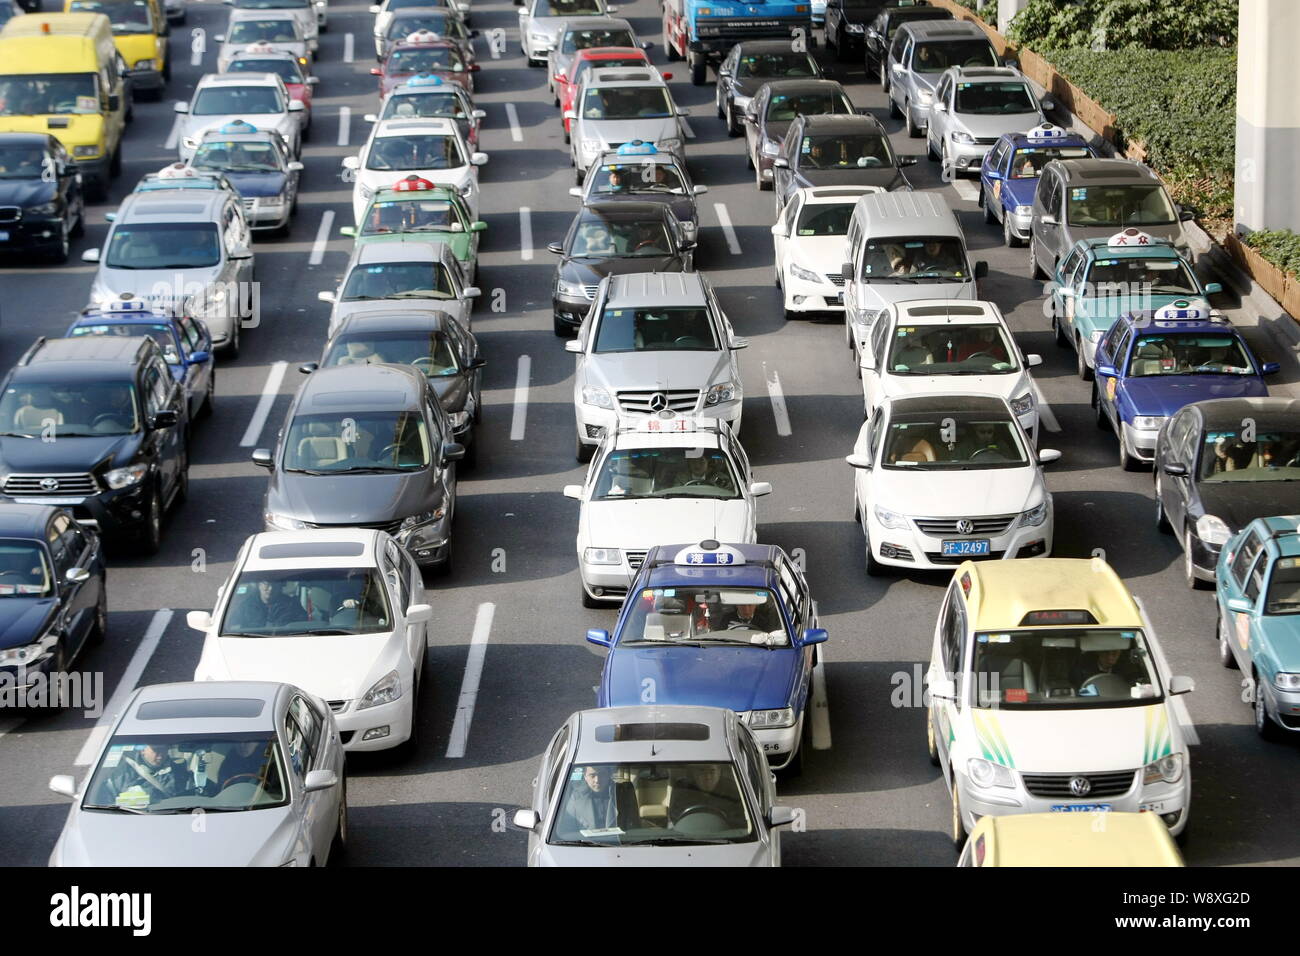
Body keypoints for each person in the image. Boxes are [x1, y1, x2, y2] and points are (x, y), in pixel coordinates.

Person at [95, 742, 191, 807]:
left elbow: (193, 794)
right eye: (156, 750)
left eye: (164, 750)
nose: (161, 755)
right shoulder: (122, 773)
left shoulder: (179, 770)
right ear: (142, 750)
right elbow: (107, 803)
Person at [668, 763, 742, 828]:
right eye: (702, 771)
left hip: (727, 837)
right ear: (694, 773)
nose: (707, 777)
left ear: (719, 772)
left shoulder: (732, 790)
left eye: (712, 771)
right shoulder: (682, 789)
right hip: (688, 836)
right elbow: (675, 816)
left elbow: (739, 820)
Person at [560, 765, 631, 832]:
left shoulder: (622, 794)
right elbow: (568, 830)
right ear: (585, 776)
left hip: (620, 843)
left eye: (602, 774)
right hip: (584, 844)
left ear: (608, 775)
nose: (597, 780)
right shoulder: (576, 798)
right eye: (592, 775)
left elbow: (634, 828)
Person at [230, 579, 302, 629]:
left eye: (275, 585)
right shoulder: (246, 606)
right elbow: (231, 625)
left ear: (280, 586)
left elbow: (303, 624)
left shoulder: (292, 605)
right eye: (267, 584)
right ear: (259, 585)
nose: (271, 588)